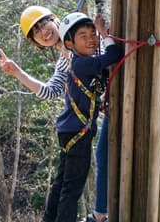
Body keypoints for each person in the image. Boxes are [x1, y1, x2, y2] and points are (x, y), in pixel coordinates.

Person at [0, 6, 109, 222]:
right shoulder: (64, 61)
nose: (43, 32)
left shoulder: (81, 35)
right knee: (70, 184)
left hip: (79, 124)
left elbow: (103, 48)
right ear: (37, 43)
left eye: (43, 24)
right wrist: (18, 73)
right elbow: (50, 91)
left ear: (54, 20)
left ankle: (98, 214)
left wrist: (101, 32)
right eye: (37, 32)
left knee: (66, 182)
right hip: (78, 127)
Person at [43, 12, 122, 222]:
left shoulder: (86, 63)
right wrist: (105, 33)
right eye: (83, 36)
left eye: (92, 34)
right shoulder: (81, 64)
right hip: (78, 133)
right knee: (72, 188)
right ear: (69, 44)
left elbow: (105, 69)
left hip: (71, 131)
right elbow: (113, 55)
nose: (91, 39)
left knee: (62, 183)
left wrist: (102, 35)